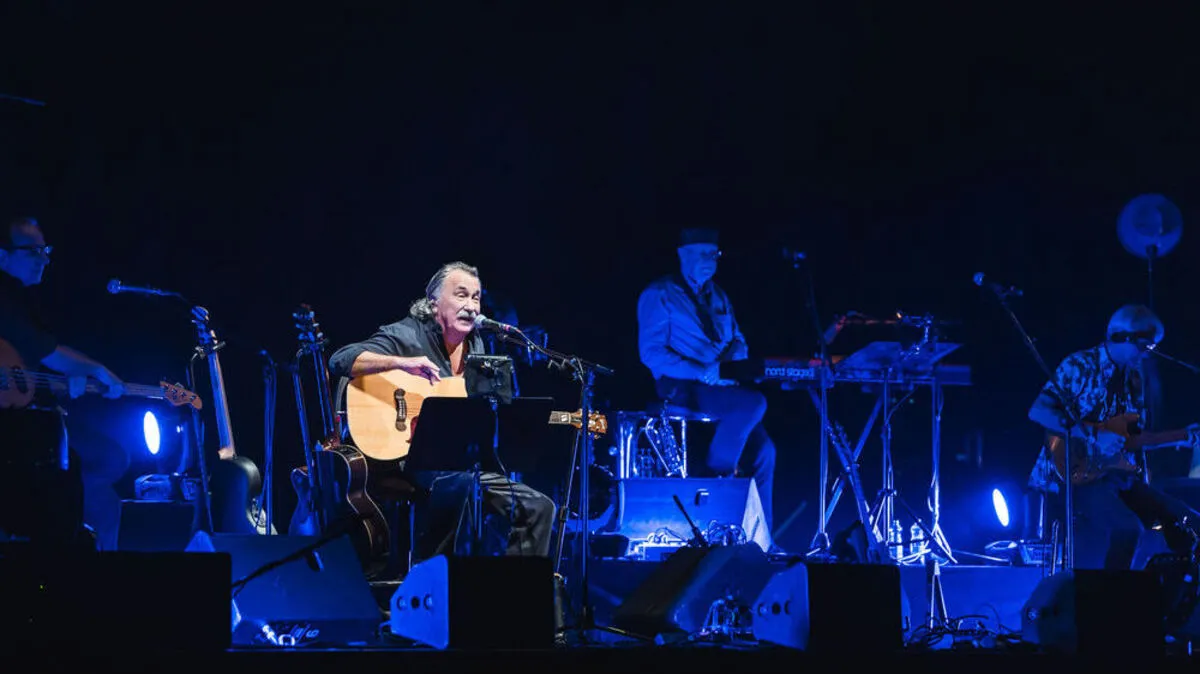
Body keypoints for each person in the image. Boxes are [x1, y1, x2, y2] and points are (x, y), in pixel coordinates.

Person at [328, 261, 556, 559]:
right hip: (407, 457)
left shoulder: (479, 348)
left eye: (476, 297)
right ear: (434, 303)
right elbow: (341, 360)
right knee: (458, 486)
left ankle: (513, 594)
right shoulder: (407, 335)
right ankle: (433, 584)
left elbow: (490, 413)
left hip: (459, 462)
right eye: (461, 295)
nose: (472, 306)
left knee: (539, 507)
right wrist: (402, 363)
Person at [1027, 304, 1200, 570]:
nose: (1146, 354)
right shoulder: (1079, 365)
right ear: (1121, 337)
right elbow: (1039, 411)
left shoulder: (1133, 379)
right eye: (1145, 345)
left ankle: (1178, 597)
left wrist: (1183, 436)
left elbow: (1131, 438)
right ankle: (1110, 601)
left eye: (1151, 347)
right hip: (1070, 477)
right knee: (1127, 530)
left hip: (1112, 474)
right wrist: (1095, 435)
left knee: (1188, 522)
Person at [636, 228, 777, 539]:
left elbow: (739, 340)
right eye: (701, 253)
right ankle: (718, 480)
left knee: (764, 450)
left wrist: (732, 359)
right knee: (754, 403)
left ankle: (763, 537)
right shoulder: (659, 293)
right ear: (682, 255)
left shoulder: (720, 295)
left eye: (713, 254)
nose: (709, 260)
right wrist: (700, 370)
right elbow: (651, 353)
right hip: (681, 383)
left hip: (719, 381)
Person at [0, 216, 126, 546]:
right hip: (14, 433)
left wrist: (62, 382)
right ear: (3, 257)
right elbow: (44, 349)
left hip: (26, 420)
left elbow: (29, 366)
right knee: (105, 462)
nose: (45, 258)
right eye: (33, 251)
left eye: (46, 250)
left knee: (109, 466)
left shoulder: (27, 300)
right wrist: (97, 370)